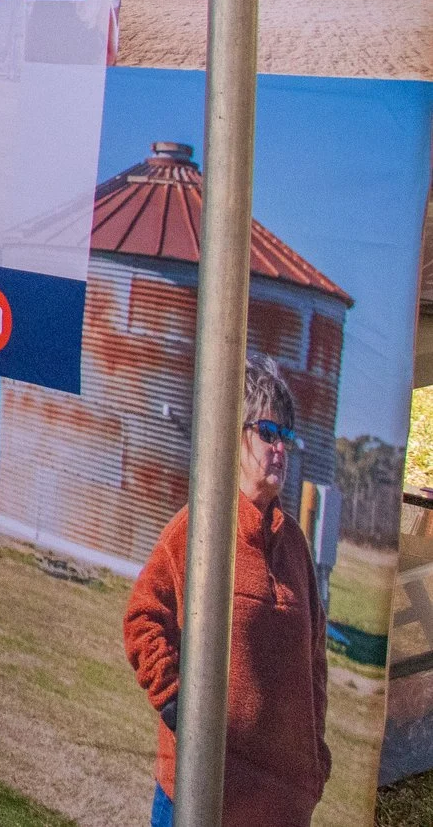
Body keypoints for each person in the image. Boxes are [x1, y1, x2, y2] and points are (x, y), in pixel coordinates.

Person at [123, 353, 329, 827]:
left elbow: (315, 661)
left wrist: (315, 760)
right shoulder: (199, 526)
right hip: (201, 796)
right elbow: (142, 617)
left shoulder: (296, 546)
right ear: (235, 438)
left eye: (286, 437)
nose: (278, 449)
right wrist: (177, 702)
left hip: (280, 808)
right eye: (267, 433)